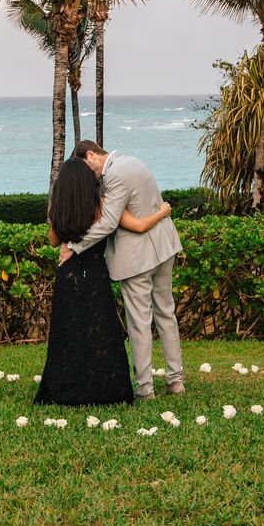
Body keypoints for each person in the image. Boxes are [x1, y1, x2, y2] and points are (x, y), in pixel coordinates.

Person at [34, 157, 172, 407]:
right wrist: (163, 211)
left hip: (69, 277)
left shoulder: (59, 208)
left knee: (69, 335)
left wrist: (58, 218)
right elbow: (136, 226)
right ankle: (107, 389)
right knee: (101, 333)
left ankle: (66, 389)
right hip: (95, 275)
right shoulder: (100, 206)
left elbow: (54, 241)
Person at [61, 141, 184, 401]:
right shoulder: (134, 161)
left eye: (86, 167)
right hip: (164, 247)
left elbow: (108, 223)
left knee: (139, 322)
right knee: (165, 313)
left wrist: (74, 246)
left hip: (138, 258)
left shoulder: (115, 174)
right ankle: (175, 379)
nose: (87, 175)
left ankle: (145, 388)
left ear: (92, 155)